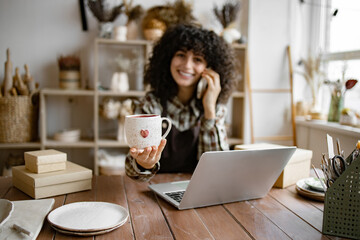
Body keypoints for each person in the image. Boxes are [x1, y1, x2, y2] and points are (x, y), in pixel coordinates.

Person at [125, 23, 236, 181]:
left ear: (210, 69)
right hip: (154, 190)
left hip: (198, 189)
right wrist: (144, 164)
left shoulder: (215, 108)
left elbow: (219, 170)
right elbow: (132, 171)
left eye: (197, 59)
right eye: (181, 55)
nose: (187, 65)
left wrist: (209, 110)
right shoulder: (151, 103)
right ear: (168, 58)